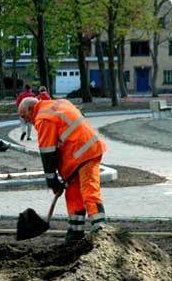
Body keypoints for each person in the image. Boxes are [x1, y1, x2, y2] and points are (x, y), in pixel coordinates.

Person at [18, 97, 107, 244]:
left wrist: (53, 182)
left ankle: (100, 230)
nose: (25, 120)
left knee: (89, 191)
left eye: (23, 116)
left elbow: (48, 153)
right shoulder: (58, 103)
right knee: (73, 195)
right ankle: (75, 234)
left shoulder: (43, 118)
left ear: (30, 109)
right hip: (79, 155)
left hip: (85, 154)